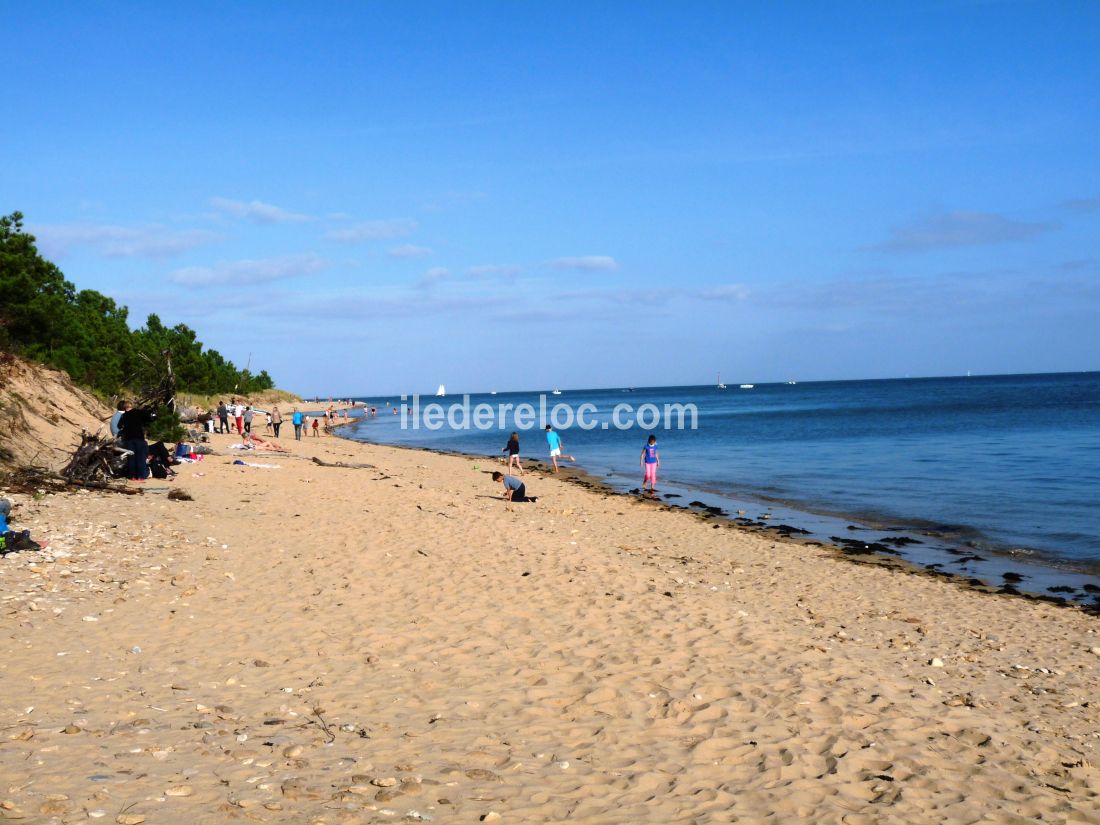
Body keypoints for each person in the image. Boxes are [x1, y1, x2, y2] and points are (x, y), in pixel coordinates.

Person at [117, 405, 156, 481]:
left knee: (131, 458)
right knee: (140, 458)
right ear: (132, 406)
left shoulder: (124, 415)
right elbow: (149, 419)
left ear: (126, 408)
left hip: (129, 439)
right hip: (139, 438)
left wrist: (126, 428)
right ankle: (140, 476)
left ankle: (132, 476)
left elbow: (119, 426)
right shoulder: (139, 412)